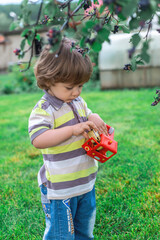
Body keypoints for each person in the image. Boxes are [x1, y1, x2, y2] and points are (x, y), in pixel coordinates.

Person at [28, 37, 108, 240]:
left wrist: (93, 116)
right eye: (70, 87)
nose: (76, 92)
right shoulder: (44, 109)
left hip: (85, 182)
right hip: (60, 189)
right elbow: (38, 138)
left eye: (80, 86)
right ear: (49, 80)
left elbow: (86, 113)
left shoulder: (78, 100)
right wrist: (72, 130)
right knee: (60, 235)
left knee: (84, 232)